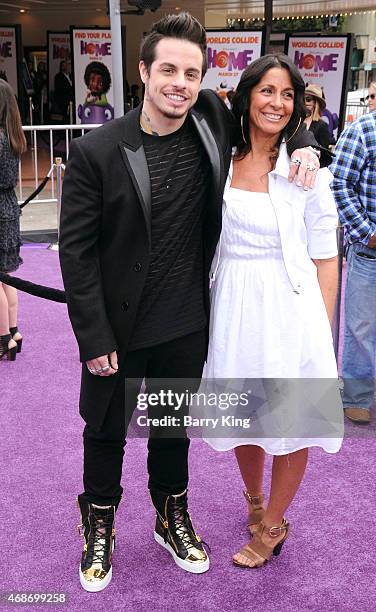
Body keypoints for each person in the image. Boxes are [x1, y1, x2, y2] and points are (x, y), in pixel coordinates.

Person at [59, 12, 327, 592]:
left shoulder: (210, 119)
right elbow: (75, 255)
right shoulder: (96, 151)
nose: (180, 82)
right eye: (168, 70)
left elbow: (269, 112)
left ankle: (171, 515)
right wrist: (94, 336)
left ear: (202, 80)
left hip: (185, 324)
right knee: (105, 428)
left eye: (191, 72)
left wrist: (305, 139)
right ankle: (98, 523)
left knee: (171, 428)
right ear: (143, 72)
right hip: (118, 328)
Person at [203, 54, 343, 568]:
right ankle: (254, 498)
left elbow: (327, 258)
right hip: (233, 306)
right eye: (267, 90)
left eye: (288, 95)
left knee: (291, 418)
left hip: (292, 310)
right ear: (246, 95)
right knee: (244, 413)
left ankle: (276, 522)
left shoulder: (308, 170)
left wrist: (320, 329)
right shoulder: (219, 156)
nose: (277, 103)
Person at [330, 104, 376, 425]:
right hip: (368, 252)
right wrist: (368, 234)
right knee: (361, 328)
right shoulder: (362, 130)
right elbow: (340, 184)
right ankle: (357, 396)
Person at [0, 79, 26, 360]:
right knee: (6, 277)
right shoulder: (13, 136)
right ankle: (14, 331)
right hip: (8, 206)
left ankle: (3, 338)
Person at [304, 84, 331, 148]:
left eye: (308, 99)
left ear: (315, 103)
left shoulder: (322, 126)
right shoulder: (295, 121)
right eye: (302, 99)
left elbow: (324, 153)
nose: (304, 102)